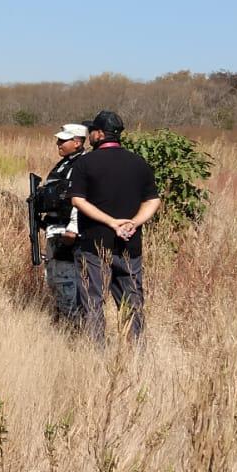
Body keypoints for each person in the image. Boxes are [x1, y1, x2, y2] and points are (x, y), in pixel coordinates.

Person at [67, 110, 161, 346]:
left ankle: (96, 353)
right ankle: (136, 350)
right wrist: (134, 223)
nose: (89, 136)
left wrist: (110, 223)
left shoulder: (85, 162)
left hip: (94, 245)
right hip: (131, 244)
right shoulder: (138, 162)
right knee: (132, 300)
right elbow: (153, 200)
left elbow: (78, 200)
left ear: (99, 134)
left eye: (91, 132)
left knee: (93, 300)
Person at [36, 123, 90, 326]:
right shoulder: (63, 164)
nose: (58, 143)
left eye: (63, 140)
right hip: (54, 228)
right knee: (54, 278)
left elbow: (79, 199)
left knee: (66, 280)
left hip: (67, 232)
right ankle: (63, 320)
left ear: (77, 142)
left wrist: (73, 228)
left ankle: (74, 327)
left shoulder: (81, 165)